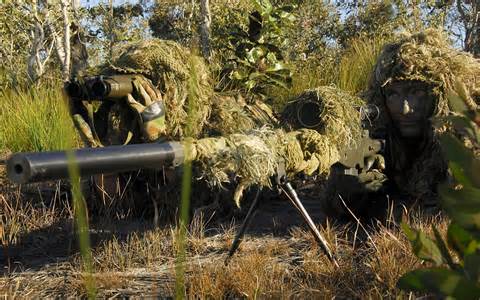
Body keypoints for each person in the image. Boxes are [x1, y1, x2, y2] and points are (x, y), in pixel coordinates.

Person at [325, 28, 480, 220]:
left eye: (417, 93)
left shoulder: (463, 139)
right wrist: (353, 187)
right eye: (393, 94)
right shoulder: (378, 135)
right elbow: (333, 203)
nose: (405, 109)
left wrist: (386, 208)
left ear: (439, 96)